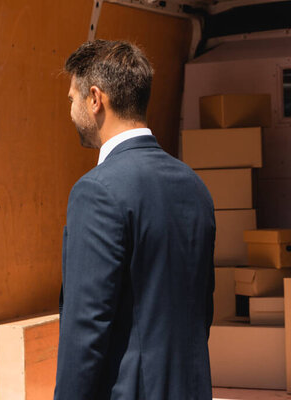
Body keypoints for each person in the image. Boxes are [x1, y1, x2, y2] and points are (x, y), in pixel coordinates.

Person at [54, 40, 215, 400]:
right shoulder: (194, 185)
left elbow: (86, 327)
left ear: (95, 99)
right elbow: (201, 308)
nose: (70, 111)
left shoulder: (96, 191)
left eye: (71, 99)